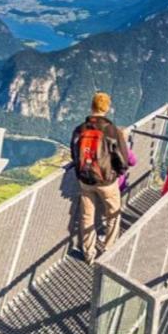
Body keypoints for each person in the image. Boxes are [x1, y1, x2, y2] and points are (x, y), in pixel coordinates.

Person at [71, 92, 130, 264]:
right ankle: (107, 250)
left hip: (85, 181)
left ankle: (89, 253)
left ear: (92, 106)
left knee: (86, 216)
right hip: (107, 181)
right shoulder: (112, 131)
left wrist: (80, 173)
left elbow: (74, 153)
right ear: (107, 108)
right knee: (113, 214)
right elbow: (123, 159)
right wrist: (117, 173)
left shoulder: (79, 129)